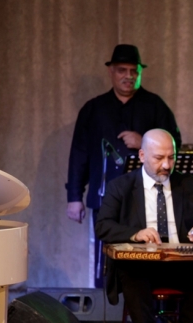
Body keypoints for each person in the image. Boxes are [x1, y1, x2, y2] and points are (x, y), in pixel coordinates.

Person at [95, 129, 193, 323]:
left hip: (181, 264)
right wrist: (135, 234)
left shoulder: (189, 184)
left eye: (171, 157)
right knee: (130, 272)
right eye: (159, 158)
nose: (166, 165)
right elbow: (103, 226)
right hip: (143, 265)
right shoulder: (121, 186)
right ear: (142, 155)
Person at [66, 44, 182, 287]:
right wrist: (74, 197)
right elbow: (79, 153)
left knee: (145, 258)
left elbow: (174, 144)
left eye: (134, 71)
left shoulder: (155, 106)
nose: (129, 76)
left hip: (146, 198)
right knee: (105, 260)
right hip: (105, 196)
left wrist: (144, 142)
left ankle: (145, 307)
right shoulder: (93, 109)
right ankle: (107, 306)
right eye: (122, 70)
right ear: (111, 71)